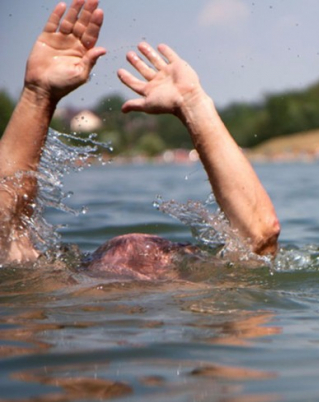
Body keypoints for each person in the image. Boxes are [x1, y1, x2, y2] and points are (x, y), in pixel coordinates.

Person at [0, 0, 280, 279]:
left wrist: (37, 95)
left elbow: (7, 233)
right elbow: (258, 238)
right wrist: (193, 105)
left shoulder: (57, 288)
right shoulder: (202, 297)